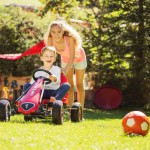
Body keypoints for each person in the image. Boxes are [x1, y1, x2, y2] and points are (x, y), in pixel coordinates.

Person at [44, 20, 87, 109]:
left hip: (79, 58)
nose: (56, 35)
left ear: (63, 31)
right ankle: (71, 112)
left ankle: (80, 112)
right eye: (53, 32)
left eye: (59, 32)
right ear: (50, 32)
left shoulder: (69, 38)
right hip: (65, 59)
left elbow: (72, 56)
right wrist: (49, 70)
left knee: (79, 85)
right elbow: (49, 56)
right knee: (69, 86)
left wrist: (65, 70)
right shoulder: (51, 40)